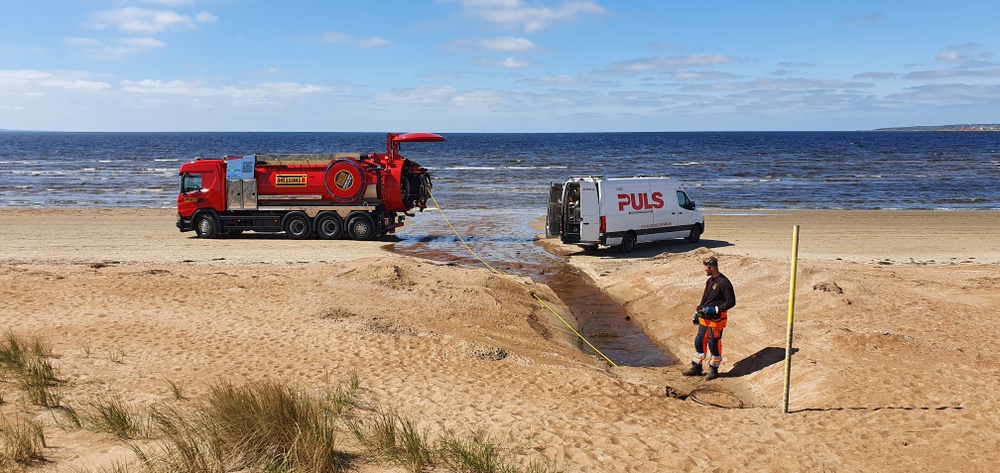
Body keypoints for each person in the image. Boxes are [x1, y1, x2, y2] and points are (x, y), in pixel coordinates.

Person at [682, 256, 736, 380]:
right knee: (699, 340)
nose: (704, 269)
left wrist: (715, 309)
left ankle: (713, 368)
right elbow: (705, 298)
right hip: (705, 317)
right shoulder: (710, 280)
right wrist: (697, 312)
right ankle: (697, 366)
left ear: (711, 267)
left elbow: (731, 302)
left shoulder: (724, 283)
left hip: (717, 319)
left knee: (713, 343)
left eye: (705, 267)